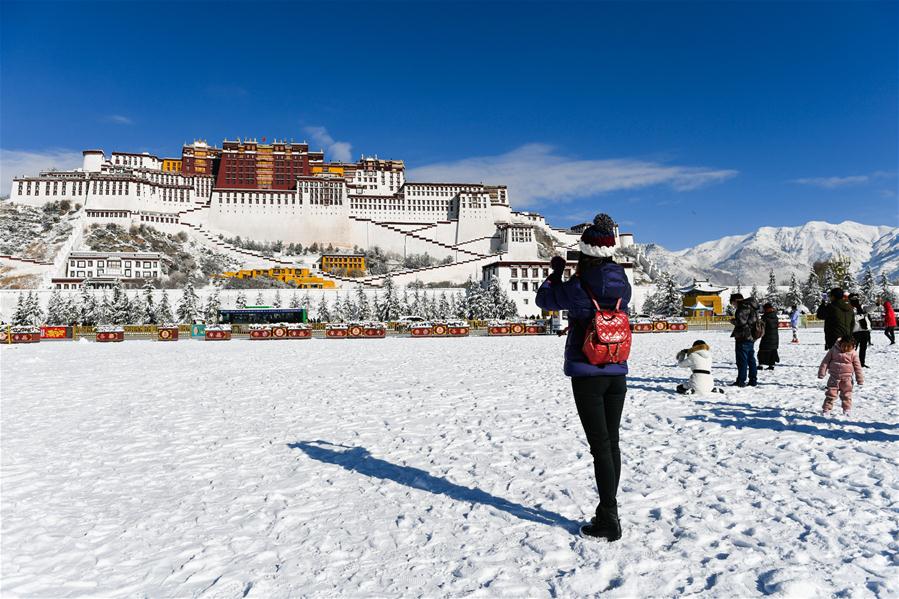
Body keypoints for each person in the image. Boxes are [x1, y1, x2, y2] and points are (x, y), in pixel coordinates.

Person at [535, 213, 631, 542]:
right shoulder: (623, 283)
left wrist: (557, 273)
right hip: (616, 368)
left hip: (587, 370)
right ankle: (609, 511)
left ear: (585, 253)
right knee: (612, 444)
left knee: (600, 447)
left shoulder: (578, 287)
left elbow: (544, 300)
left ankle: (609, 516)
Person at [817, 336, 864, 416]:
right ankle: (826, 409)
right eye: (843, 346)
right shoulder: (833, 350)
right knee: (830, 394)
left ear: (853, 346)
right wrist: (822, 373)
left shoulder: (853, 354)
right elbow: (825, 362)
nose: (845, 348)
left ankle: (847, 409)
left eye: (848, 346)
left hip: (847, 379)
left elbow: (858, 367)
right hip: (834, 378)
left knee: (847, 395)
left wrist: (860, 379)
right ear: (840, 344)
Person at [729, 293, 760, 387]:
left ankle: (741, 381)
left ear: (736, 301)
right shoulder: (752, 306)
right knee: (751, 359)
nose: (734, 306)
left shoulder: (743, 307)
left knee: (742, 360)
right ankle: (753, 380)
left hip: (743, 336)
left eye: (733, 304)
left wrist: (732, 321)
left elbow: (741, 322)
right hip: (751, 336)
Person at [848, 294, 872, 367]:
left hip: (865, 331)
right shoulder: (849, 308)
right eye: (854, 298)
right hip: (855, 331)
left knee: (863, 348)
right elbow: (851, 319)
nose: (856, 299)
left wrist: (876, 304)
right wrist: (862, 316)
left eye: (857, 298)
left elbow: (870, 308)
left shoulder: (862, 307)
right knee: (853, 349)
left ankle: (862, 363)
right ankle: (850, 362)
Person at [757, 303, 780, 370]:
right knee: (772, 351)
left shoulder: (765, 317)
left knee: (762, 351)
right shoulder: (775, 316)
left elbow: (761, 327)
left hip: (767, 337)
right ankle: (771, 365)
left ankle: (760, 365)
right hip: (775, 337)